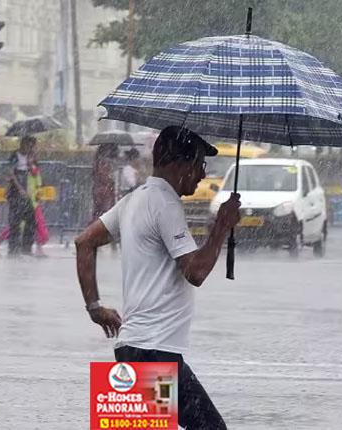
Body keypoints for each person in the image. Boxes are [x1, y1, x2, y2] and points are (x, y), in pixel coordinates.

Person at [75, 125, 241, 429]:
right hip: (156, 351)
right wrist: (222, 227)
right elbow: (196, 271)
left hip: (131, 348)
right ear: (180, 164)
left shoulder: (134, 199)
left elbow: (84, 242)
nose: (202, 174)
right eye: (200, 165)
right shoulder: (166, 204)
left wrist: (94, 308)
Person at [0, 155, 49, 257]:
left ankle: (38, 248)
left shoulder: (35, 171)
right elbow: (16, 183)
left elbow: (37, 186)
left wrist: (38, 194)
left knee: (33, 228)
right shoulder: (22, 172)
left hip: (34, 204)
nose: (30, 161)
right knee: (18, 227)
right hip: (26, 204)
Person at [6, 135, 37, 256]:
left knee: (31, 219)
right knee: (15, 221)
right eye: (28, 145)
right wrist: (20, 188)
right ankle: (13, 249)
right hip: (15, 191)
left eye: (31, 146)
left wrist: (30, 163)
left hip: (26, 191)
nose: (30, 148)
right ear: (22, 144)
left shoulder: (30, 157)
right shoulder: (15, 155)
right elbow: (10, 173)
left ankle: (26, 247)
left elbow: (34, 173)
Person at [92, 141, 119, 219]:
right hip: (105, 190)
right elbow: (104, 176)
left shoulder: (98, 161)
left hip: (100, 189)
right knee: (105, 211)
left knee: (100, 211)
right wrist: (110, 178)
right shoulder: (103, 162)